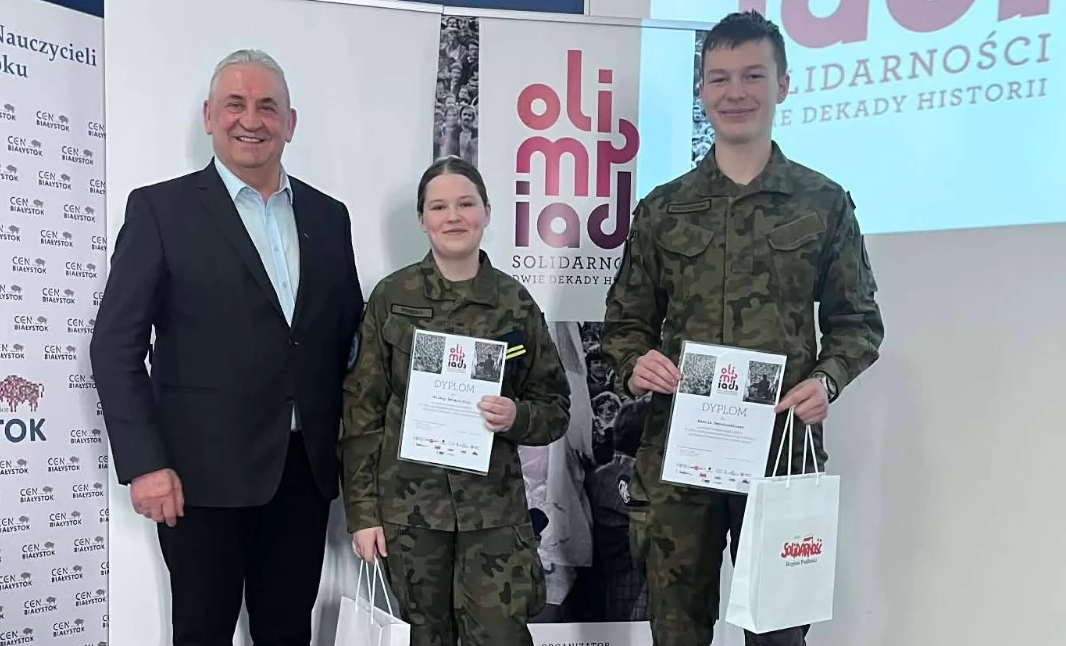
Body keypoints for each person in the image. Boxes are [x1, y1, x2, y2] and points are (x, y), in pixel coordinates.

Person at [600, 11, 884, 646]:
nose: (736, 92)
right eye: (720, 78)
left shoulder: (823, 203)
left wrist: (828, 381)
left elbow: (857, 324)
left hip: (780, 451)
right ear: (701, 91)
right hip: (680, 452)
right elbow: (625, 322)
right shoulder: (664, 209)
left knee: (779, 632)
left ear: (783, 84)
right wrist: (635, 361)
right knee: (677, 631)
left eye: (753, 75)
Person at [90, 49, 363, 646]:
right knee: (202, 632)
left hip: (304, 474)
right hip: (196, 478)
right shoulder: (161, 209)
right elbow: (115, 346)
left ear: (290, 123)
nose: (252, 119)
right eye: (235, 104)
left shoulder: (329, 216)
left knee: (288, 632)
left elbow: (351, 341)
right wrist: (144, 463)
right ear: (210, 117)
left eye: (268, 106)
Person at [340, 156, 570, 646]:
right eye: (438, 206)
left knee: (501, 637)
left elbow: (554, 406)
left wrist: (516, 415)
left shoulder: (515, 303)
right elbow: (362, 412)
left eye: (466, 203)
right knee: (426, 638)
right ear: (422, 219)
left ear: (487, 211)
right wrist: (364, 515)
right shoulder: (392, 298)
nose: (453, 216)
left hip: (494, 517)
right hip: (411, 515)